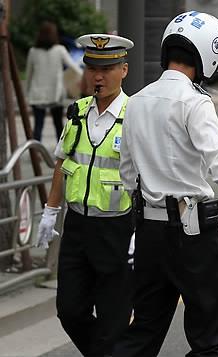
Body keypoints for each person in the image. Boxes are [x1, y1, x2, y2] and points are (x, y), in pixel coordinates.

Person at [113, 11, 218, 357]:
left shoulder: (136, 101)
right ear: (209, 55)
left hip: (149, 232)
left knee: (144, 329)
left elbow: (127, 172)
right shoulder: (195, 101)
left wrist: (134, 227)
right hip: (194, 236)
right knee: (208, 338)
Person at [35, 33, 135, 357]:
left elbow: (148, 178)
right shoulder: (77, 112)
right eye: (92, 67)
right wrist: (50, 212)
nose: (98, 76)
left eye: (107, 68)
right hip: (77, 229)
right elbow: (62, 163)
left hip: (117, 231)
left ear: (124, 70)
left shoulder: (136, 117)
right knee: (70, 311)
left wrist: (140, 232)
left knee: (114, 321)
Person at [25, 21, 82, 142]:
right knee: (58, 125)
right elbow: (74, 67)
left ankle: (36, 153)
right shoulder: (60, 50)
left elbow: (28, 75)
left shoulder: (33, 51)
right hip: (55, 94)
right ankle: (61, 152)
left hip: (37, 95)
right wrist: (85, 77)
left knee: (38, 126)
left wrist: (26, 94)